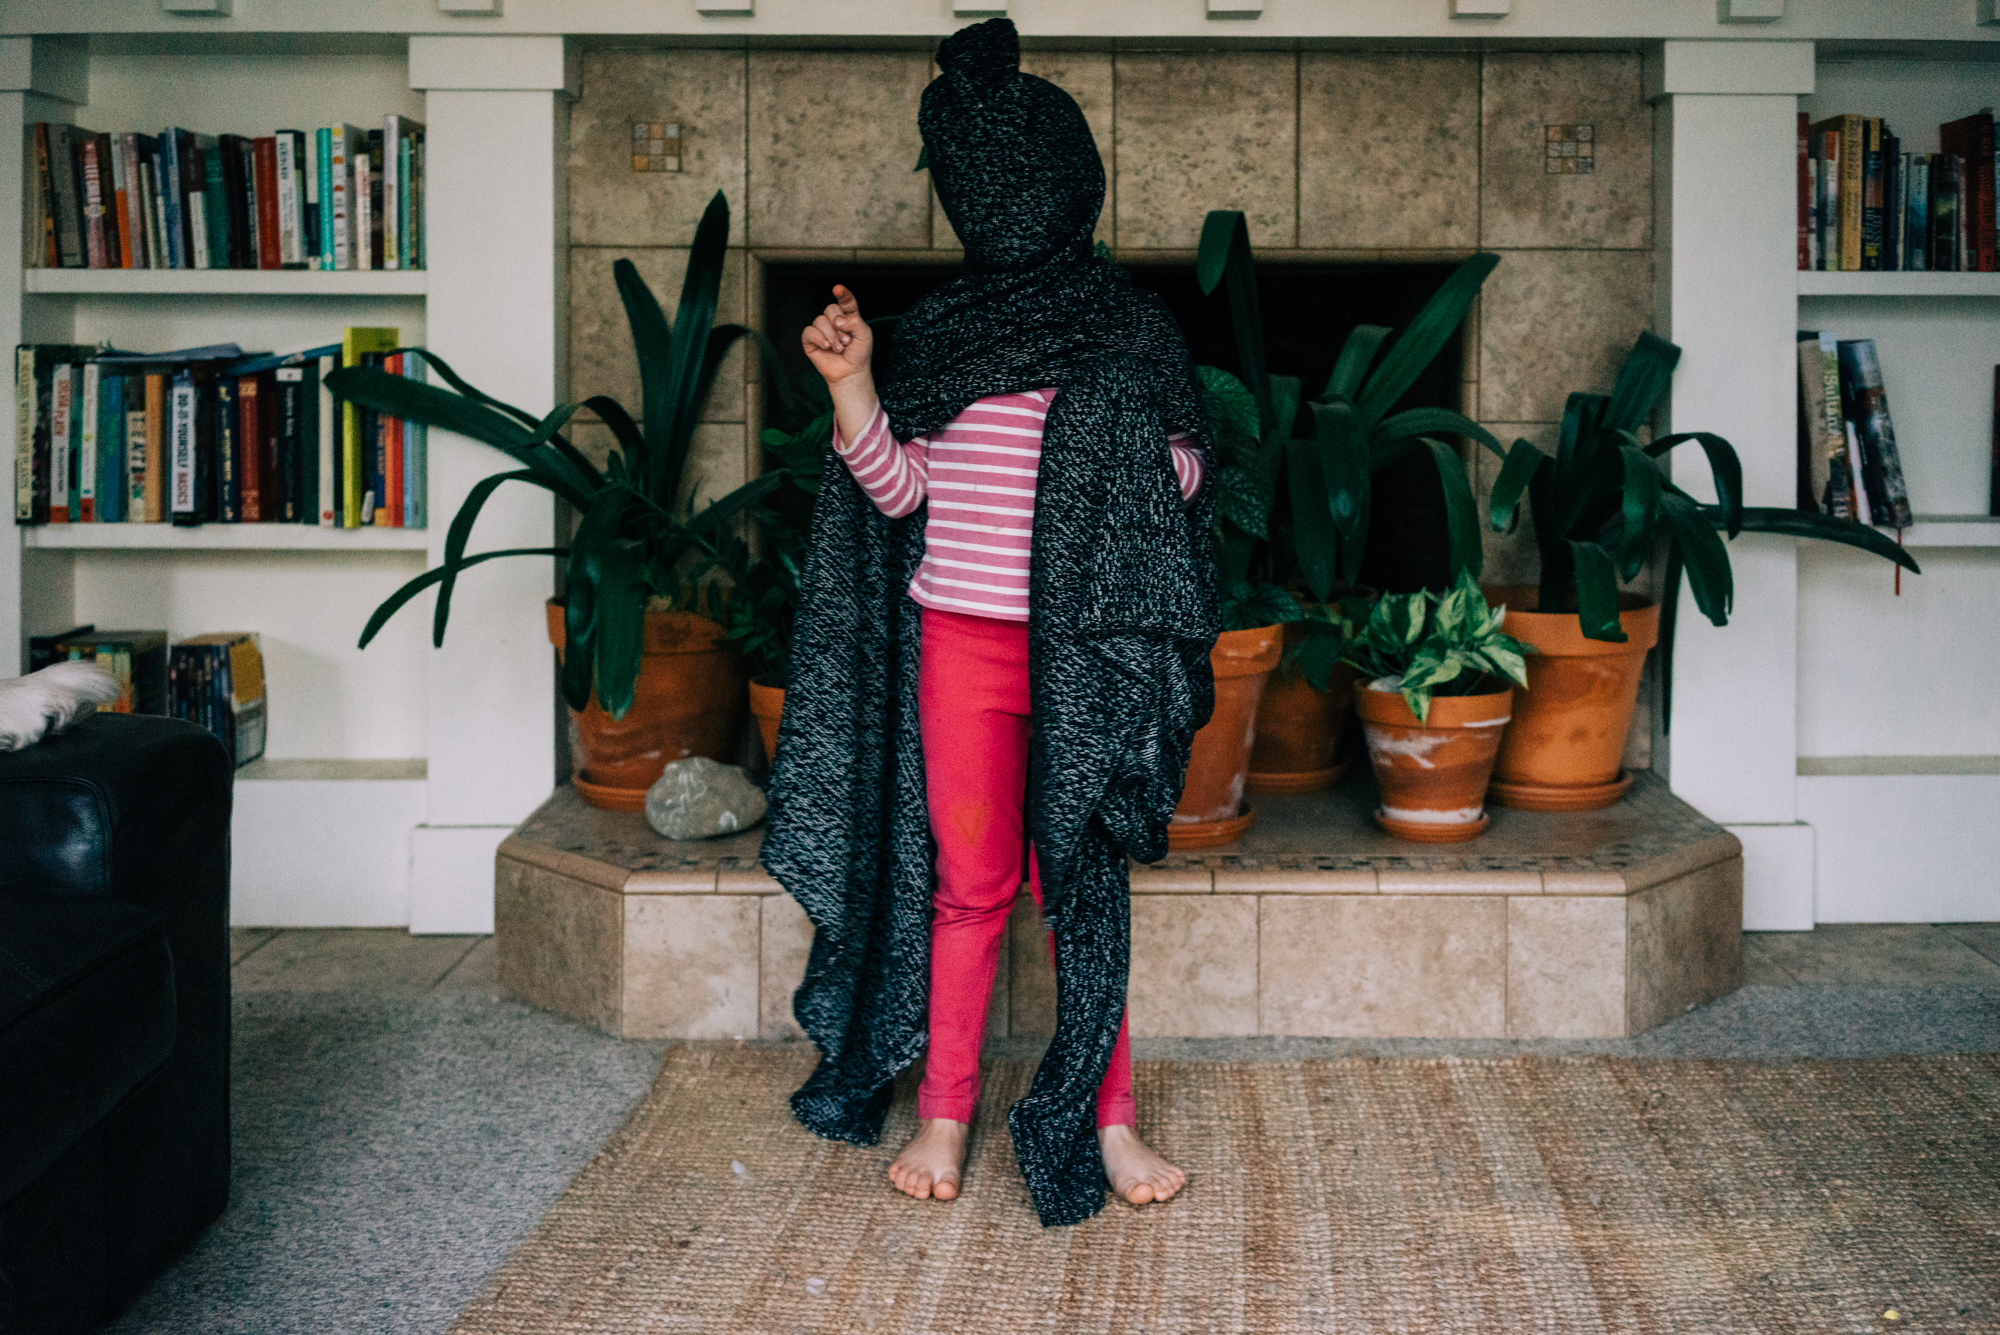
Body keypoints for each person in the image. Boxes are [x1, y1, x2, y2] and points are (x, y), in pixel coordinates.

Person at [762, 16, 1222, 1229]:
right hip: (960, 647)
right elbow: (901, 498)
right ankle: (948, 1106)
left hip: (1086, 652)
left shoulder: (1130, 333)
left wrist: (1104, 451)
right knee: (968, 888)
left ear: (1065, 186)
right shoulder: (938, 337)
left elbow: (1181, 487)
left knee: (1082, 884)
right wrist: (853, 384)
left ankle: (1108, 1120)